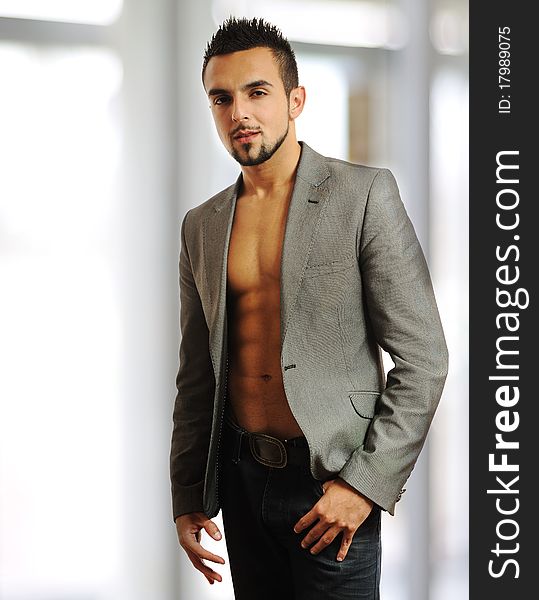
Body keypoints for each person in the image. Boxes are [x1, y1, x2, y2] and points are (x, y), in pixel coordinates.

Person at [170, 16, 448, 600]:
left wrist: (364, 485)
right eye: (221, 98)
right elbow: (198, 376)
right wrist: (189, 494)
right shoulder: (202, 226)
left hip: (330, 487)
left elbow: (424, 357)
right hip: (243, 485)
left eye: (257, 92)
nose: (239, 113)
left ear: (295, 99)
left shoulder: (363, 195)